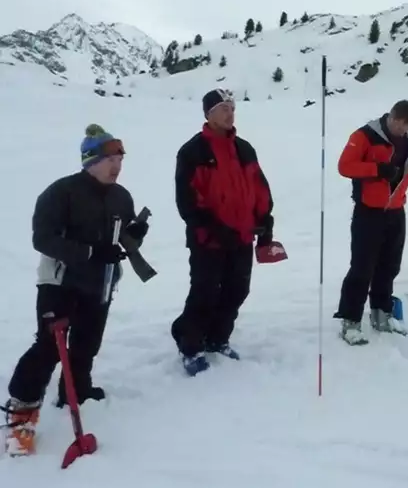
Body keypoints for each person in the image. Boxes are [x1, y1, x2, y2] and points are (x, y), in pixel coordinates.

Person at [3, 124, 148, 456]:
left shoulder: (121, 196)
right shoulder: (61, 193)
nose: (117, 165)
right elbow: (44, 239)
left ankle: (75, 392)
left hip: (101, 282)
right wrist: (90, 252)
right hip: (60, 283)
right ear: (90, 160)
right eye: (110, 158)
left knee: (87, 342)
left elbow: (121, 240)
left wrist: (135, 233)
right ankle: (21, 412)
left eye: (120, 158)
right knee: (50, 348)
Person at [171, 89, 285, 376]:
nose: (230, 113)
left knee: (237, 290)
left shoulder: (244, 149)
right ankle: (190, 344)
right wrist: (214, 228)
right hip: (207, 239)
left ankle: (217, 338)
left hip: (242, 236)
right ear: (208, 114)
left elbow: (259, 188)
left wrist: (265, 220)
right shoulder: (193, 152)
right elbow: (188, 201)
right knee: (205, 292)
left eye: (232, 108)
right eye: (223, 108)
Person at [333, 100, 408, 344]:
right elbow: (344, 166)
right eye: (402, 125)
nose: (405, 131)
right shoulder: (365, 135)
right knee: (362, 267)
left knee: (389, 266)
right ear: (392, 118)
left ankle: (381, 313)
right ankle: (350, 320)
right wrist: (377, 169)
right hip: (368, 212)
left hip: (395, 211)